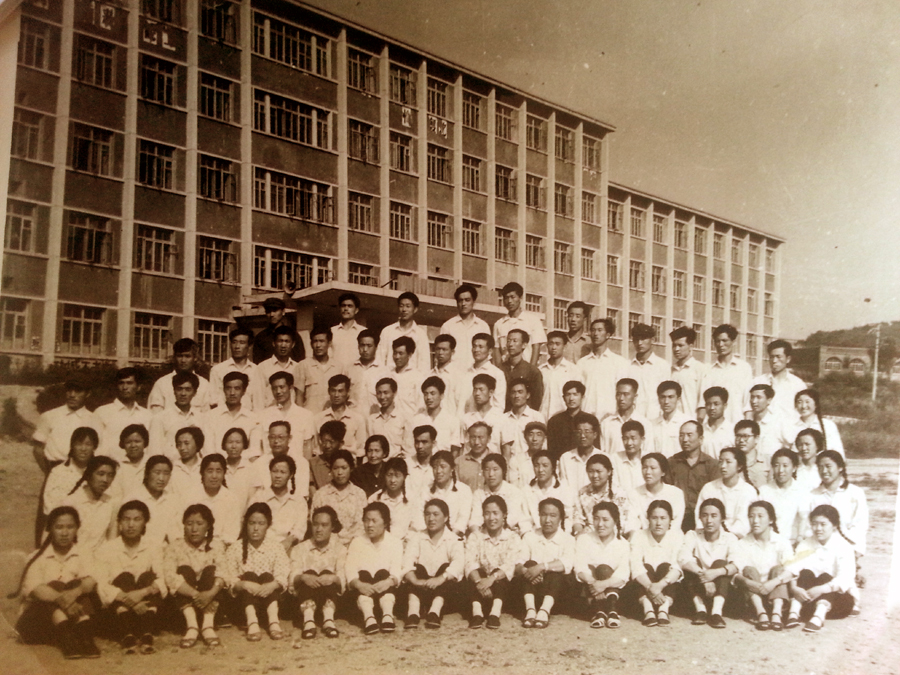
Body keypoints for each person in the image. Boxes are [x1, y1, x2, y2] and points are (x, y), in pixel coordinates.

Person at [13, 506, 100, 659]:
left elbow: (91, 581)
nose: (64, 533)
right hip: (37, 622)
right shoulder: (37, 557)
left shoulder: (84, 554)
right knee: (54, 585)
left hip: (73, 616)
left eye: (70, 527)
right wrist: (63, 600)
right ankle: (68, 638)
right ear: (50, 529)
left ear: (77, 528)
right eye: (59, 527)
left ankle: (85, 638)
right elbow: (36, 589)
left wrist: (74, 593)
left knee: (76, 584)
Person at [31, 379, 101, 543]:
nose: (72, 395)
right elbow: (38, 449)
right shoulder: (50, 416)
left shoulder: (94, 419)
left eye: (78, 391)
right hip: (55, 469)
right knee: (48, 514)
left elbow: (97, 449)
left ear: (87, 394)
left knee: (82, 513)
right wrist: (50, 472)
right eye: (69, 390)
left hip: (84, 472)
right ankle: (42, 551)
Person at [94, 500, 167, 654]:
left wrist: (142, 593)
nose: (131, 525)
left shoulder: (153, 546)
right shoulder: (107, 549)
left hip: (146, 607)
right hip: (118, 610)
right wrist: (129, 600)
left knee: (148, 576)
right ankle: (127, 635)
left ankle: (146, 635)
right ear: (119, 523)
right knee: (124, 577)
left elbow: (162, 579)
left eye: (137, 519)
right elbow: (102, 585)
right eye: (126, 519)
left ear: (145, 523)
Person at [804, 450, 869, 614]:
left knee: (844, 577)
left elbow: (860, 524)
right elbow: (808, 525)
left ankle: (850, 595)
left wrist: (854, 551)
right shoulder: (812, 495)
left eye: (828, 466)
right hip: (820, 545)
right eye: (820, 467)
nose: (824, 471)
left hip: (846, 546)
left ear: (840, 467)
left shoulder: (855, 493)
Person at [163, 504, 228, 648]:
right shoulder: (174, 547)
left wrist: (210, 594)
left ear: (208, 526)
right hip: (183, 607)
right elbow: (170, 577)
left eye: (199, 523)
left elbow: (223, 573)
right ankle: (192, 626)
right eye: (189, 523)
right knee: (184, 570)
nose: (194, 529)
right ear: (184, 525)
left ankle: (207, 626)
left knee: (211, 570)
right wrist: (196, 595)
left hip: (211, 604)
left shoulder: (216, 546)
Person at [784, 505, 856, 632]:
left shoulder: (844, 547)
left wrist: (822, 589)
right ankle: (794, 612)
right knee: (806, 573)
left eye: (823, 524)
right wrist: (794, 588)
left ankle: (819, 616)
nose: (818, 529)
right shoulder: (806, 543)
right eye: (814, 524)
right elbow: (793, 567)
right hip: (805, 596)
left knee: (826, 576)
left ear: (834, 526)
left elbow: (845, 577)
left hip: (832, 599)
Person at [226, 502, 290, 641]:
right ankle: (252, 622)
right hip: (244, 606)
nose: (256, 528)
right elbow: (230, 579)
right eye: (252, 523)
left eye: (261, 523)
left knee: (267, 576)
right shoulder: (235, 548)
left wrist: (271, 585)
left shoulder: (276, 547)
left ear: (268, 525)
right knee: (249, 575)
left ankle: (273, 622)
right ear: (246, 524)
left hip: (270, 602)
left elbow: (282, 575)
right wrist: (244, 584)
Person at [728, 501, 792, 631]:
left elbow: (792, 570)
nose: (755, 521)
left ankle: (776, 614)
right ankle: (761, 613)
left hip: (775, 593)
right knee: (749, 570)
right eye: (751, 516)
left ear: (771, 520)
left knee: (779, 569)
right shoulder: (742, 543)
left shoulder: (781, 542)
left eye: (760, 516)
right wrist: (747, 582)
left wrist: (773, 582)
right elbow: (735, 571)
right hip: (751, 596)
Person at [401, 499, 465, 629]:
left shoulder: (453, 539)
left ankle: (434, 612)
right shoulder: (417, 537)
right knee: (417, 568)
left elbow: (458, 564)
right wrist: (415, 581)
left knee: (446, 568)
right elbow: (407, 561)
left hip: (444, 591)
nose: (431, 519)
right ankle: (413, 613)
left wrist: (440, 579)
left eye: (436, 514)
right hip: (421, 586)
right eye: (427, 514)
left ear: (445, 517)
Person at [464, 495, 525, 629]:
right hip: (479, 587)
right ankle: (477, 614)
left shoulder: (512, 537)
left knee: (499, 573)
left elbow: (510, 564)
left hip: (502, 589)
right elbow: (469, 562)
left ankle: (494, 614)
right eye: (487, 513)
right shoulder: (475, 536)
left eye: (495, 513)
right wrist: (479, 582)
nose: (491, 518)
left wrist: (491, 579)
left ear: (504, 515)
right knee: (475, 571)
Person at [345, 502, 404, 634]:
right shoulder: (357, 542)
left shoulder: (395, 542)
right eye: (366, 520)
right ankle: (369, 618)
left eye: (374, 521)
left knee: (383, 573)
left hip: (387, 594)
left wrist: (389, 581)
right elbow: (350, 569)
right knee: (364, 574)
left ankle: (388, 616)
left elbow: (396, 569)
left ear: (385, 523)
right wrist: (359, 584)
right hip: (363, 596)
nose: (369, 525)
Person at [516, 498, 575, 629]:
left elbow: (567, 564)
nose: (547, 520)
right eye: (543, 515)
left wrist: (541, 567)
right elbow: (519, 562)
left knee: (556, 571)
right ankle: (530, 610)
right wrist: (527, 571)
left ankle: (544, 611)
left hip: (555, 594)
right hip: (532, 590)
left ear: (560, 518)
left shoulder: (568, 539)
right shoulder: (530, 536)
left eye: (553, 516)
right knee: (529, 563)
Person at [678, 498, 737, 629]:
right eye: (705, 515)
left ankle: (716, 613)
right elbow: (683, 559)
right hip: (697, 586)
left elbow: (736, 565)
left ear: (722, 518)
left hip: (722, 590)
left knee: (720, 563)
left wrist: (715, 573)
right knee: (692, 563)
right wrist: (705, 577)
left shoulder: (730, 538)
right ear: (700, 518)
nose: (709, 520)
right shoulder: (692, 535)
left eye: (714, 516)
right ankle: (701, 610)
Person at [291, 506, 345, 640]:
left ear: (332, 527)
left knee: (328, 573)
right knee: (309, 572)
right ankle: (308, 621)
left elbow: (342, 577)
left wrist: (333, 578)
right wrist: (303, 577)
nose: (319, 529)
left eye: (324, 525)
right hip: (305, 600)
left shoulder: (340, 549)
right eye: (315, 524)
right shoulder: (300, 549)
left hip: (330, 598)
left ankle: (328, 620)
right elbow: (293, 578)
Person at [574, 501, 630, 629]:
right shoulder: (584, 539)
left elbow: (623, 573)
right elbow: (579, 567)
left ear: (615, 521)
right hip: (589, 590)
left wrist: (603, 584)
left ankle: (607, 611)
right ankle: (607, 612)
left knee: (604, 569)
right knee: (600, 569)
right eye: (596, 519)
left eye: (605, 520)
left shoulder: (623, 544)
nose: (600, 524)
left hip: (614, 592)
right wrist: (594, 583)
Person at [630, 500, 684, 627]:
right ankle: (648, 610)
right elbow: (635, 565)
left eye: (663, 518)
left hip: (666, 585)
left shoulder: (677, 535)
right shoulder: (639, 535)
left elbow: (678, 566)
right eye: (654, 518)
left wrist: (659, 586)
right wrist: (651, 587)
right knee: (646, 567)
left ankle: (664, 610)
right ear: (648, 519)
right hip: (645, 585)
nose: (659, 523)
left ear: (670, 520)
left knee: (665, 567)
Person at [694, 448, 759, 538]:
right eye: (721, 462)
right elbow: (700, 517)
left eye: (728, 462)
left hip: (738, 539)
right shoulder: (709, 488)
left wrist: (726, 538)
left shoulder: (748, 491)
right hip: (709, 537)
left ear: (739, 466)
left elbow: (744, 523)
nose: (723, 466)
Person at [669, 421, 720, 533]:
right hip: (677, 518)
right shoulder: (672, 463)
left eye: (689, 435)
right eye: (681, 435)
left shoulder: (712, 465)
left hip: (703, 519)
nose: (684, 439)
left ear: (701, 439)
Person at [249, 455, 309, 551]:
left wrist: (287, 542)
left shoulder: (298, 501)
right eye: (274, 471)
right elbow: (250, 525)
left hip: (288, 549)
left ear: (290, 475)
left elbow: (299, 530)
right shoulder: (259, 498)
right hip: (261, 548)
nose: (277, 476)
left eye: (283, 472)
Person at [61, 455, 118, 553]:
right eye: (100, 474)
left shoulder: (111, 503)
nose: (105, 479)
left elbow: (112, 540)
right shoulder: (70, 503)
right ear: (88, 475)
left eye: (110, 475)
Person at [698, 325, 753, 427]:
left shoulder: (744, 368)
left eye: (724, 340)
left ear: (733, 342)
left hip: (737, 424)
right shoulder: (708, 370)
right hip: (713, 426)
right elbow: (702, 403)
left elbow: (747, 403)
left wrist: (747, 426)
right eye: (717, 341)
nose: (721, 345)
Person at [311, 449, 368, 545]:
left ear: (351, 468)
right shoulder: (321, 494)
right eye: (335, 468)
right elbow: (316, 523)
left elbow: (362, 525)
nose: (340, 472)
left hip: (354, 545)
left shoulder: (359, 494)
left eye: (344, 468)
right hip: (327, 545)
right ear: (330, 469)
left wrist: (351, 544)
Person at [126, 455, 183, 547]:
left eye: (166, 473)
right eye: (157, 472)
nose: (161, 478)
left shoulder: (173, 499)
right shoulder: (132, 499)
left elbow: (176, 534)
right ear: (147, 474)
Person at [257, 371, 316, 461]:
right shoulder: (263, 416)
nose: (278, 392)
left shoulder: (306, 415)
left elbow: (308, 447)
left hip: (297, 466)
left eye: (282, 387)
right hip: (270, 466)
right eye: (274, 388)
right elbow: (259, 448)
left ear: (291, 388)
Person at [148, 372, 208, 460]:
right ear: (174, 391)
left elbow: (207, 450)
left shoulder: (202, 418)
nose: (183, 393)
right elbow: (155, 451)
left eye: (188, 390)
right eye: (179, 389)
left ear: (194, 393)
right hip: (170, 466)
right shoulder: (160, 418)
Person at [95, 367, 150, 459]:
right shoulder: (102, 412)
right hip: (110, 465)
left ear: (138, 387)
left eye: (129, 383)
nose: (125, 387)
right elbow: (95, 446)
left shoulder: (148, 415)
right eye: (121, 383)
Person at [578, 317, 628, 419]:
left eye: (600, 330)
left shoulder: (619, 362)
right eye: (593, 330)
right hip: (586, 415)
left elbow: (622, 392)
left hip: (610, 416)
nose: (595, 334)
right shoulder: (582, 363)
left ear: (608, 335)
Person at [205, 371, 261, 461]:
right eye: (228, 388)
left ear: (244, 391)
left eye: (237, 388)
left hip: (245, 466)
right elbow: (208, 450)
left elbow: (254, 452)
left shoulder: (253, 418)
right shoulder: (211, 416)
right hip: (217, 465)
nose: (232, 393)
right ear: (223, 390)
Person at [469, 454, 532, 534]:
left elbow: (512, 519)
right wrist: (477, 534)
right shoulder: (478, 493)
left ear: (503, 471)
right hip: (483, 533)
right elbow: (475, 519)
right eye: (487, 470)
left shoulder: (514, 492)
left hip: (507, 532)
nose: (491, 474)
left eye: (495, 469)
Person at [746, 339, 807, 422]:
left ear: (788, 359)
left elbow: (804, 413)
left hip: (788, 428)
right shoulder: (758, 382)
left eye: (778, 357)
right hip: (762, 428)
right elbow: (748, 410)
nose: (774, 361)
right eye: (771, 357)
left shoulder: (798, 384)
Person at [187, 454, 242, 544]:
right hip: (192, 545)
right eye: (210, 471)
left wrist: (215, 547)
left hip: (221, 547)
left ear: (224, 473)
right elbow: (180, 527)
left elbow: (231, 534)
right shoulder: (190, 496)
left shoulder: (231, 499)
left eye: (218, 471)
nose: (214, 476)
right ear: (202, 473)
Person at [501, 378, 546, 488]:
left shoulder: (536, 416)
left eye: (520, 392)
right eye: (513, 392)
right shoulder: (503, 418)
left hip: (532, 466)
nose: (516, 396)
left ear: (528, 395)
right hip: (512, 468)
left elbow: (543, 445)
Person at [148, 339, 212, 414]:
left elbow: (207, 414)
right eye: (179, 356)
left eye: (187, 356)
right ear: (174, 357)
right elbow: (155, 415)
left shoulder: (204, 384)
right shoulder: (162, 383)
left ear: (195, 358)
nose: (183, 360)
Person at [253, 421, 311, 504]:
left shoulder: (301, 463)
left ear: (289, 438)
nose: (276, 441)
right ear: (268, 438)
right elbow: (257, 495)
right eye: (272, 437)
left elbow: (302, 495)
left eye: (281, 437)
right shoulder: (259, 464)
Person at [43, 427, 97, 516]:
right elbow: (49, 506)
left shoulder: (99, 473)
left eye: (88, 444)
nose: (83, 448)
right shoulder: (58, 472)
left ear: (94, 447)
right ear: (72, 446)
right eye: (79, 444)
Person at [627, 454, 686, 534]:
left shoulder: (676, 494)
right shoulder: (634, 493)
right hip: (642, 537)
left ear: (663, 472)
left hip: (670, 537)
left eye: (653, 468)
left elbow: (675, 524)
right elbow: (632, 522)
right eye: (644, 467)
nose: (648, 472)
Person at [209, 327, 265, 411]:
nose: (237, 346)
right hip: (225, 416)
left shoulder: (257, 370)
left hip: (250, 417)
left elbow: (259, 402)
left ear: (249, 346)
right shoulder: (218, 370)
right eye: (234, 342)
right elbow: (214, 400)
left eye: (242, 343)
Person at [573, 454, 630, 536]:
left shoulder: (619, 493)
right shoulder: (582, 493)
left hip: (611, 536)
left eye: (599, 471)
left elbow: (621, 522)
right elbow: (577, 519)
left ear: (609, 472)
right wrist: (579, 533)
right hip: (587, 536)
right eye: (591, 471)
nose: (594, 475)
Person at [759, 449, 806, 545]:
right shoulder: (764, 490)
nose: (780, 470)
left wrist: (799, 538)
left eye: (785, 466)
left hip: (793, 542)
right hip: (769, 542)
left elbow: (803, 518)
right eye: (776, 465)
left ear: (794, 468)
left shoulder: (801, 491)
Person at [375, 292, 431, 372]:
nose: (404, 309)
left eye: (408, 306)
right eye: (401, 306)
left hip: (412, 378)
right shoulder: (387, 331)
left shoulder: (421, 334)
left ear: (415, 309)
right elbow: (380, 359)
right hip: (389, 376)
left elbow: (424, 364)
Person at [493, 282, 546, 365]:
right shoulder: (499, 324)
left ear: (520, 298)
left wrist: (531, 370)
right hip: (506, 369)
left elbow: (536, 348)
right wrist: (499, 371)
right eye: (506, 298)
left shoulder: (533, 320)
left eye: (512, 297)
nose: (509, 301)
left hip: (526, 368)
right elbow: (496, 350)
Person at [441, 284, 490, 371]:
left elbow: (487, 355)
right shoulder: (448, 326)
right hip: (454, 373)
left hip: (476, 372)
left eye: (467, 300)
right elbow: (443, 354)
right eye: (460, 300)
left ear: (473, 302)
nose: (463, 304)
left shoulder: (483, 326)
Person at [317, 374, 368, 458]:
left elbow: (361, 448)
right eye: (333, 391)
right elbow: (317, 447)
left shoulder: (358, 419)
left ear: (347, 392)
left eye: (340, 391)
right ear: (328, 391)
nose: (336, 395)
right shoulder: (319, 418)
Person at [524, 451, 576, 533]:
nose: (540, 470)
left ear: (553, 467)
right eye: (536, 465)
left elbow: (568, 517)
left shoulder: (564, 489)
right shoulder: (526, 491)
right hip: (534, 535)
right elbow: (524, 520)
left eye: (545, 465)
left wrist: (564, 535)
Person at [369, 457, 419, 541]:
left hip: (405, 543)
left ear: (404, 477)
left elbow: (415, 526)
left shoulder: (412, 498)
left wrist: (406, 541)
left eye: (397, 476)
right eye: (389, 475)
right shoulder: (375, 499)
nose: (392, 480)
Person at [426, 450, 473, 538]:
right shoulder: (426, 490)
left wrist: (449, 538)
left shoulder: (464, 490)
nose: (438, 471)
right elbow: (419, 518)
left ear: (452, 469)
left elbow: (462, 520)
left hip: (455, 537)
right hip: (430, 537)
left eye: (443, 466)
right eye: (435, 467)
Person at [627, 323, 669, 419]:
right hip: (633, 418)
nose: (639, 343)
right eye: (636, 339)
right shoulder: (628, 366)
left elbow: (666, 394)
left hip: (655, 418)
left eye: (643, 339)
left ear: (652, 340)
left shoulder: (662, 365)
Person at [600, 378, 651, 460]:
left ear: (635, 397)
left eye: (626, 394)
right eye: (618, 394)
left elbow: (648, 453)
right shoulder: (606, 423)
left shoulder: (645, 423)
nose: (621, 398)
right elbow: (603, 452)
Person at [296, 326, 342, 414]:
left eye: (322, 341)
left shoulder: (339, 367)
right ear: (311, 344)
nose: (318, 345)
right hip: (310, 416)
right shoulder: (303, 366)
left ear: (329, 343)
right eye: (315, 341)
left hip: (332, 416)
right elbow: (299, 397)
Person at [412, 376, 462, 455]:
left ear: (441, 396)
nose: (428, 397)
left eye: (432, 393)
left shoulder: (452, 420)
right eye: (426, 394)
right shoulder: (417, 419)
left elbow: (455, 450)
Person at [460, 374, 507, 457]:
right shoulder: (466, 418)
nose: (477, 393)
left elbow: (506, 450)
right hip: (470, 463)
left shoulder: (501, 418)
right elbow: (461, 448)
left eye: (481, 390)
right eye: (475, 390)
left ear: (490, 392)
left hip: (493, 463)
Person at [557, 412, 603, 491]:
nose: (582, 436)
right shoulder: (566, 458)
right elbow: (563, 486)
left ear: (595, 435)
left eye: (587, 431)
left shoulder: (603, 457)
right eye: (579, 432)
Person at [369, 377, 413, 459]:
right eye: (379, 393)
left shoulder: (404, 418)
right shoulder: (372, 419)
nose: (382, 397)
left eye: (386, 393)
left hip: (396, 463)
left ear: (394, 393)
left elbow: (408, 450)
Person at [251, 297, 304, 365]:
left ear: (283, 312)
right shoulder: (261, 337)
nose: (271, 315)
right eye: (268, 311)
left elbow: (300, 361)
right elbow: (257, 363)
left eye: (275, 310)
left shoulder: (293, 335)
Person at [258, 327, 303, 407]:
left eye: (287, 341)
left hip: (291, 413)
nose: (283, 345)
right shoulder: (263, 367)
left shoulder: (298, 367)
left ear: (293, 344)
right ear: (273, 343)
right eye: (280, 341)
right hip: (270, 411)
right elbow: (259, 397)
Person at [539, 331, 580, 419]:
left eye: (557, 344)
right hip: (543, 417)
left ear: (564, 346)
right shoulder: (541, 370)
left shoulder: (573, 370)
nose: (554, 347)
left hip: (564, 419)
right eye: (551, 344)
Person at [747, 384, 794, 458]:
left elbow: (792, 445)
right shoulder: (747, 421)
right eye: (752, 397)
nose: (754, 401)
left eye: (758, 397)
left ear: (769, 400)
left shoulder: (779, 421)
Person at [793, 389, 845, 456]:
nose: (803, 406)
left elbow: (838, 452)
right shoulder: (791, 427)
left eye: (807, 402)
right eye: (799, 402)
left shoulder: (828, 425)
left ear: (816, 404)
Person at [669, 326, 707, 418]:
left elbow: (703, 401)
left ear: (690, 346)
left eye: (680, 345)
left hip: (691, 420)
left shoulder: (700, 369)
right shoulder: (671, 370)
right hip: (673, 421)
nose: (676, 349)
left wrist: (698, 422)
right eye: (674, 345)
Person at [465, 333, 507, 412]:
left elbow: (499, 406)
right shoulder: (466, 373)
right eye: (474, 346)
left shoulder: (497, 374)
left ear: (490, 351)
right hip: (465, 418)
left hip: (486, 418)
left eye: (480, 347)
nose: (476, 350)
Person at [648, 381, 691, 459]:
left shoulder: (687, 423)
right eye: (663, 397)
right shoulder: (651, 424)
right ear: (658, 399)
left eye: (670, 397)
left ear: (678, 399)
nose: (666, 402)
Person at [347, 329, 386, 413]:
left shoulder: (384, 371)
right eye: (362, 345)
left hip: (375, 416)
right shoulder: (349, 369)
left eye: (369, 346)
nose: (365, 349)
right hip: (353, 416)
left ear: (376, 347)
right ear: (358, 346)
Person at [547, 380, 587, 461]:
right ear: (563, 398)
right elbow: (551, 450)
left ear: (582, 397)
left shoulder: (590, 420)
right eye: (568, 394)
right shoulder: (554, 421)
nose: (571, 398)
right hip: (561, 463)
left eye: (575, 394)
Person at [110, 424, 150, 503]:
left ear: (145, 442)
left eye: (137, 441)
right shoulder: (117, 466)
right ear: (123, 444)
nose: (133, 445)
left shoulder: (152, 463)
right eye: (128, 442)